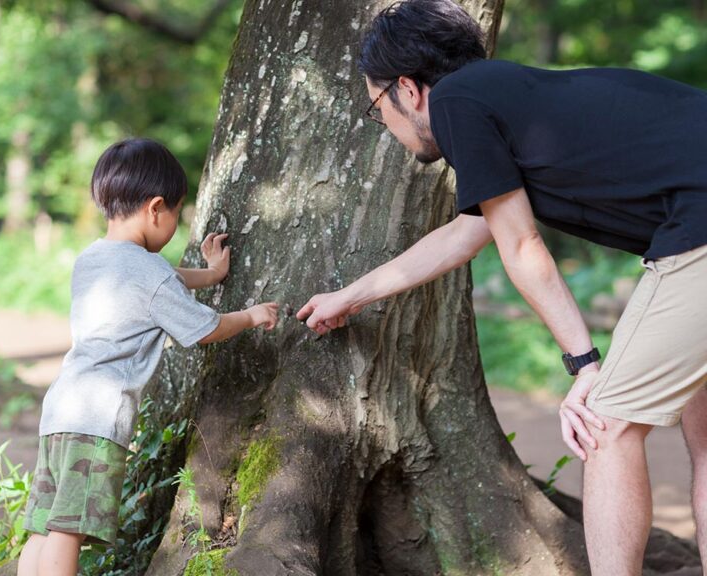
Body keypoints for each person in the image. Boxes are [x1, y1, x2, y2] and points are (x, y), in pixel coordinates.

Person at [296, 1, 707, 574]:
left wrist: (584, 365)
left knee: (605, 426)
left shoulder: (460, 102)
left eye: (376, 107)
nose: (385, 125)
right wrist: (350, 297)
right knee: (703, 427)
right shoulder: (506, 97)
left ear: (409, 90)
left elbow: (522, 247)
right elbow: (469, 233)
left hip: (699, 225)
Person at [17, 138, 278, 576]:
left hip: (61, 410)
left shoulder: (93, 259)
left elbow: (165, 280)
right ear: (156, 208)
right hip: (97, 419)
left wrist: (213, 274)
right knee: (69, 530)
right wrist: (249, 315)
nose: (175, 223)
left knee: (44, 528)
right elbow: (205, 328)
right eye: (177, 212)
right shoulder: (149, 272)